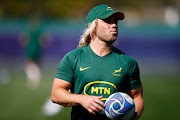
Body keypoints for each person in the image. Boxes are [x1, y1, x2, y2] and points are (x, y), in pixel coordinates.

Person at [51, 4, 144, 120]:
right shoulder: (73, 58)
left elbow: (137, 96)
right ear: (92, 26)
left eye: (115, 22)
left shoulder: (128, 62)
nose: (114, 25)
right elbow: (56, 93)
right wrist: (81, 99)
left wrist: (131, 117)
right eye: (107, 21)